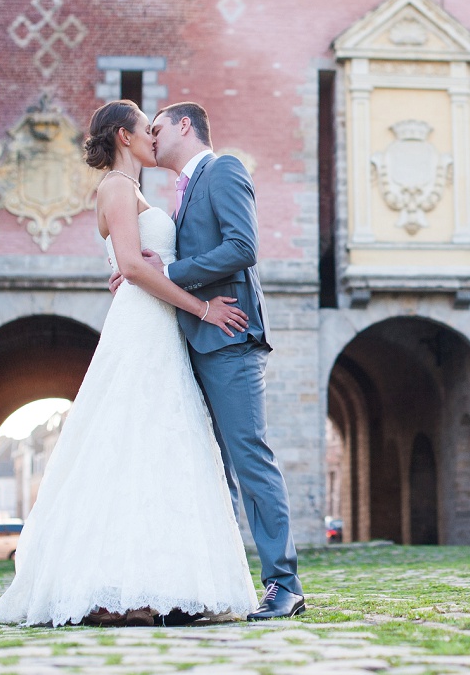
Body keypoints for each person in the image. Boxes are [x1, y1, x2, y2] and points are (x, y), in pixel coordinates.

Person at [0, 99, 258, 628]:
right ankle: (114, 589)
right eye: (146, 130)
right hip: (142, 327)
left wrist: (144, 273)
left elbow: (132, 263)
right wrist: (204, 308)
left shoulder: (136, 191)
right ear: (122, 136)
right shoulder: (116, 187)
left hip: (157, 324)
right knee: (130, 444)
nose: (154, 139)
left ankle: (166, 582)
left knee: (162, 450)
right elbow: (134, 267)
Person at [110, 101, 304, 620]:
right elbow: (165, 263)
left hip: (230, 338)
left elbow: (243, 246)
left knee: (249, 457)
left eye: (157, 128)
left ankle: (284, 584)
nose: (150, 137)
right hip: (190, 341)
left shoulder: (224, 169)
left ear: (184, 125)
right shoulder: (180, 195)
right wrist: (145, 273)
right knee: (204, 467)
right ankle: (210, 586)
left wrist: (170, 268)